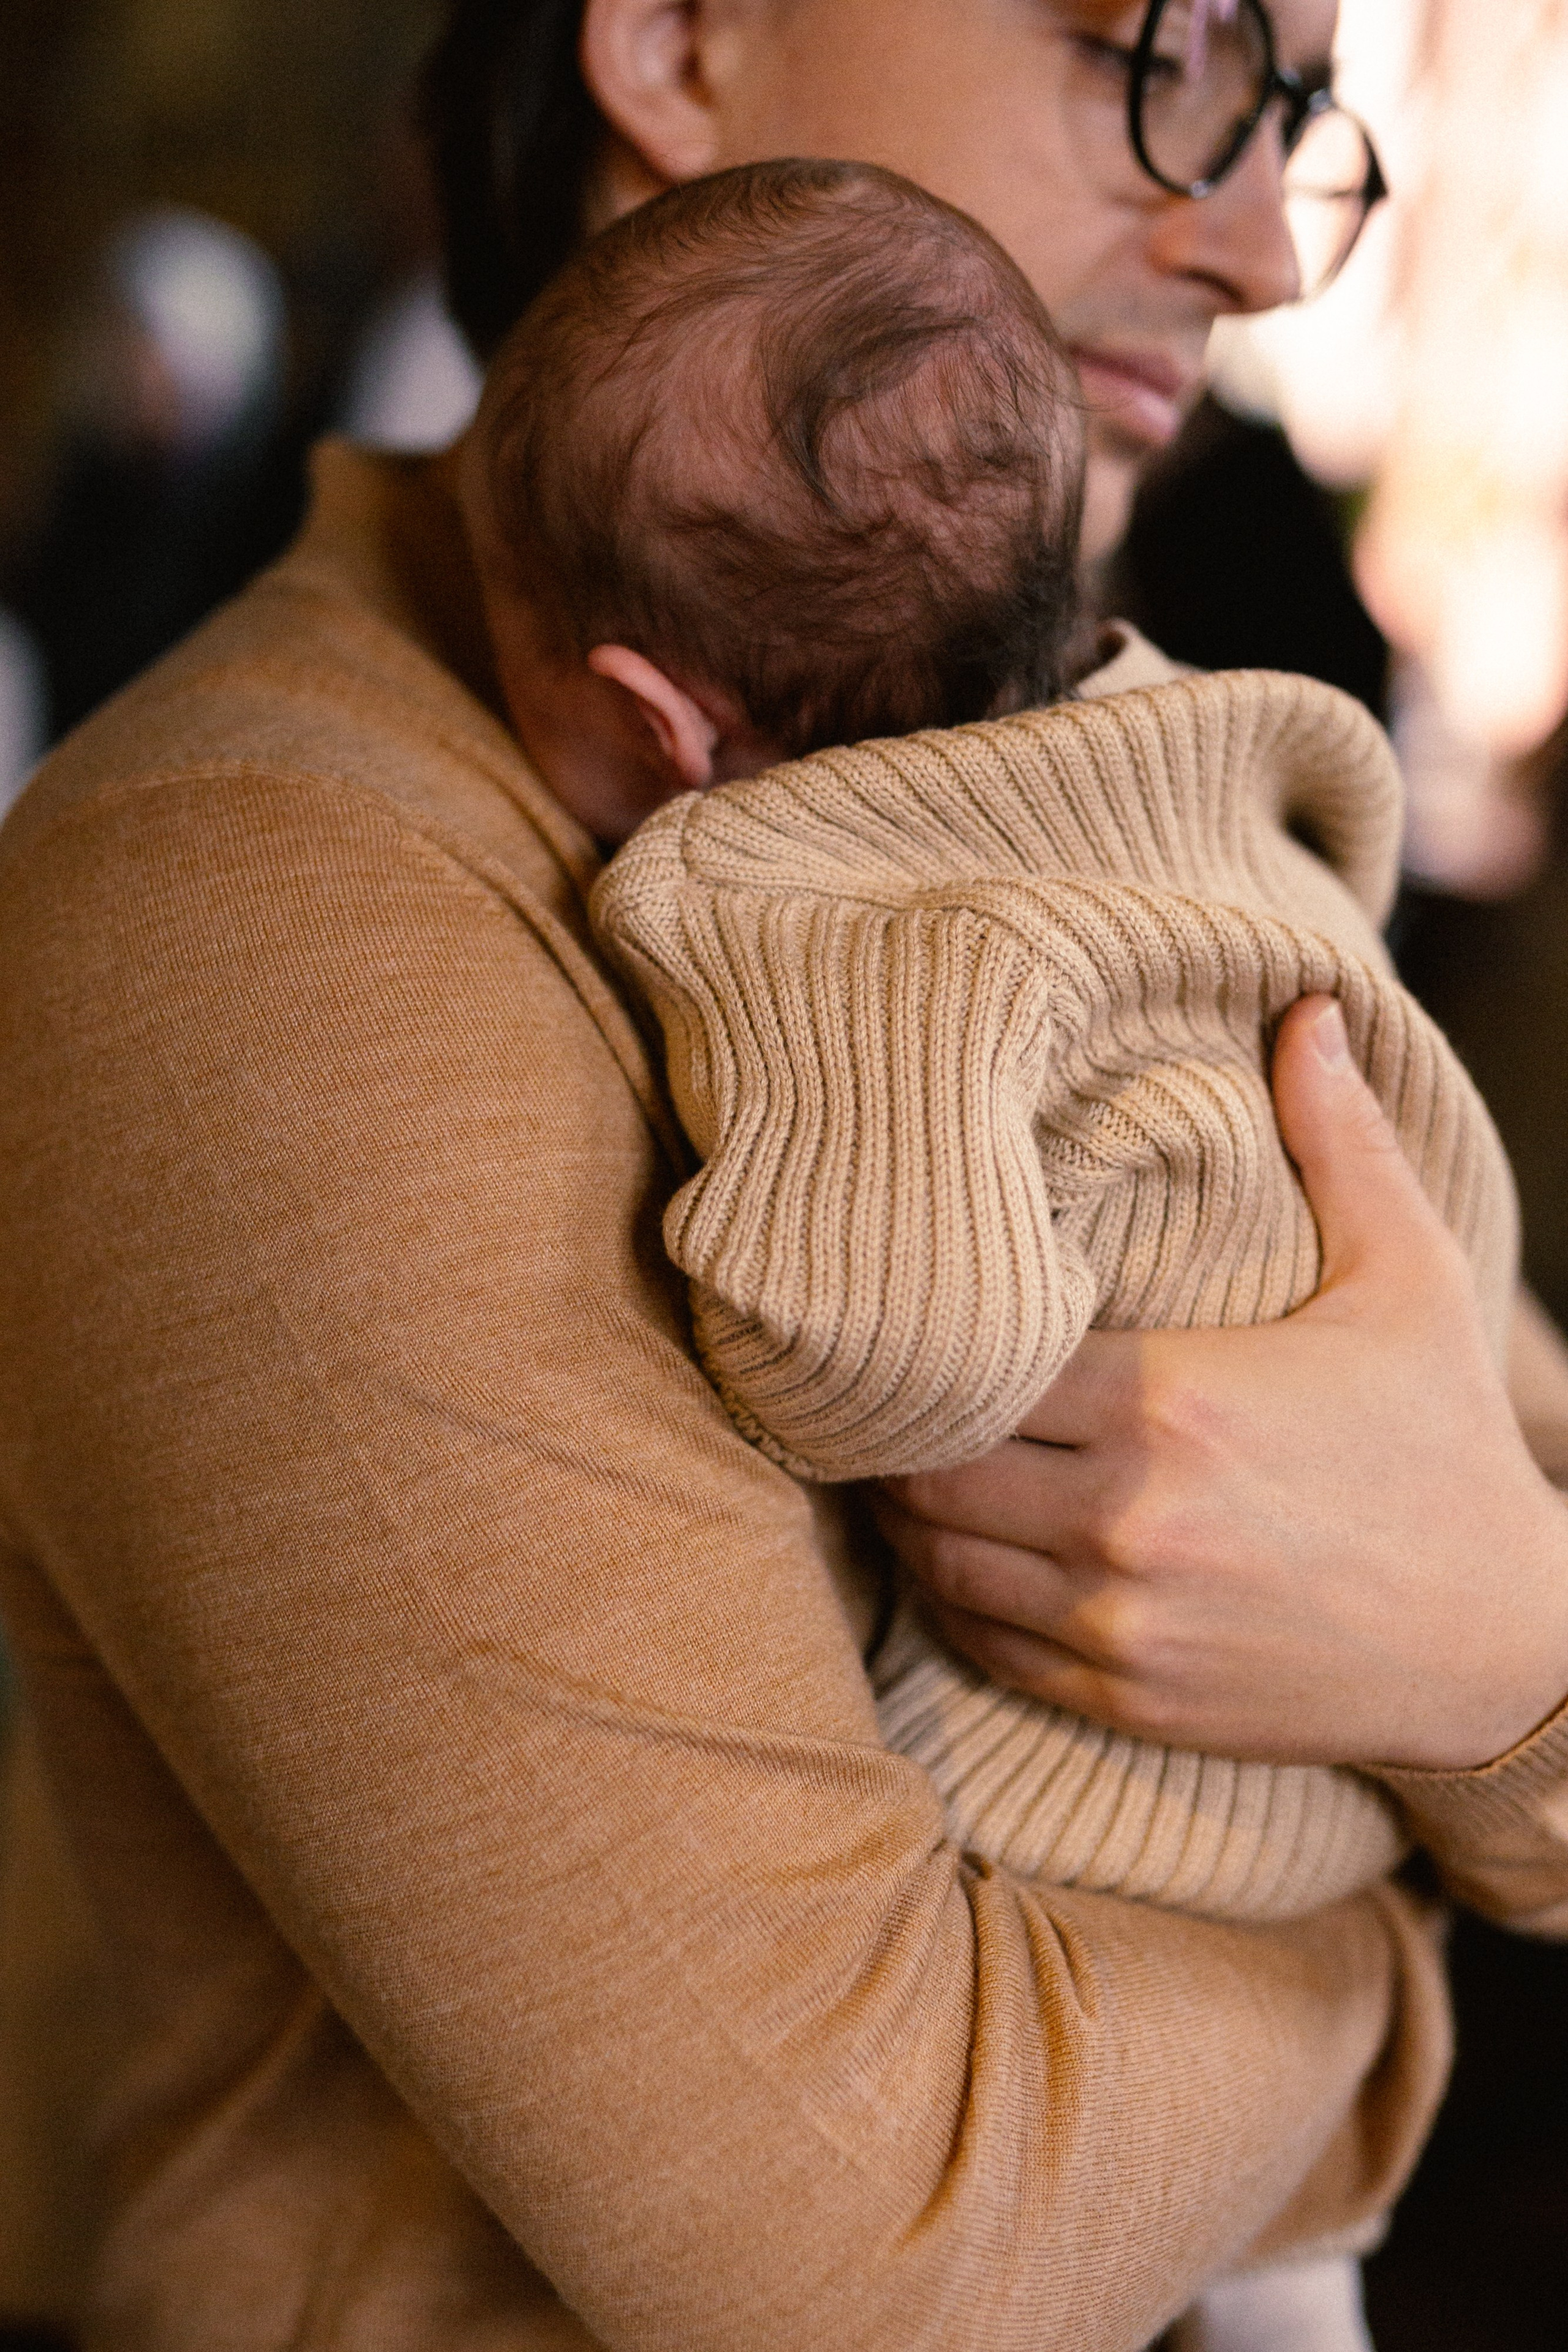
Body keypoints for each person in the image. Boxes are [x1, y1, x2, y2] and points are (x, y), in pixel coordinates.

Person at [3, 4, 1568, 2348]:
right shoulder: (271, 901)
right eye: (1161, 53)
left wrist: (1487, 1653)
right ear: (678, 32)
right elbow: (892, 2259)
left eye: (1299, 116)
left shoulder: (1077, 759)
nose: (1261, 240)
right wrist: (1407, 1883)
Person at [469, 150, 1515, 2351]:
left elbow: (901, 1356)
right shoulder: (1184, 756)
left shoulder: (858, 926)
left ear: (668, 727)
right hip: (1368, 1762)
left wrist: (729, 1237)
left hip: (1123, 1823)